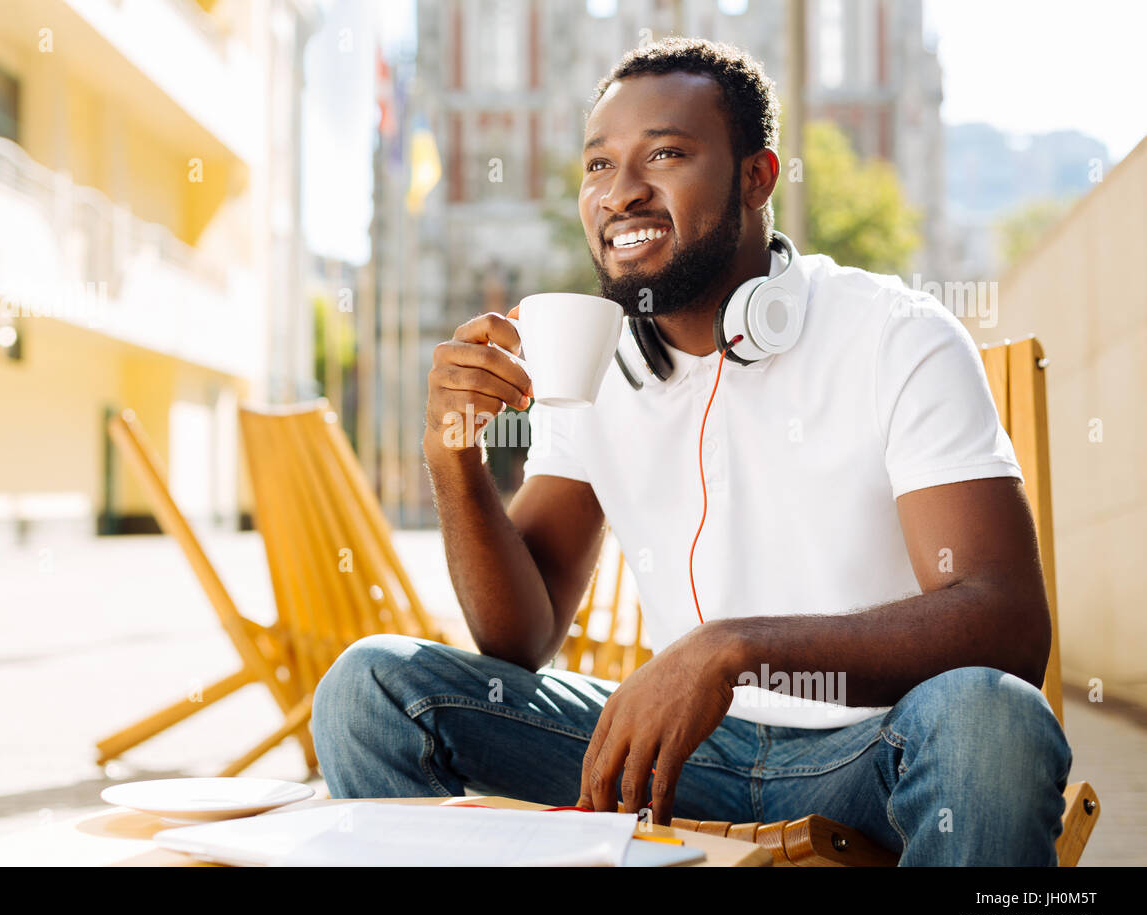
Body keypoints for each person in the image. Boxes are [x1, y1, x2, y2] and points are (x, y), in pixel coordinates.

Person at [311, 37, 1071, 865]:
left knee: (993, 718)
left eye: (666, 154)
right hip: (677, 760)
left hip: (866, 759)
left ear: (757, 176)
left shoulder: (896, 333)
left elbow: (1008, 623)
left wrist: (731, 649)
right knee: (371, 686)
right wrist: (451, 457)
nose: (621, 193)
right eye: (598, 166)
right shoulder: (596, 364)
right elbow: (518, 638)